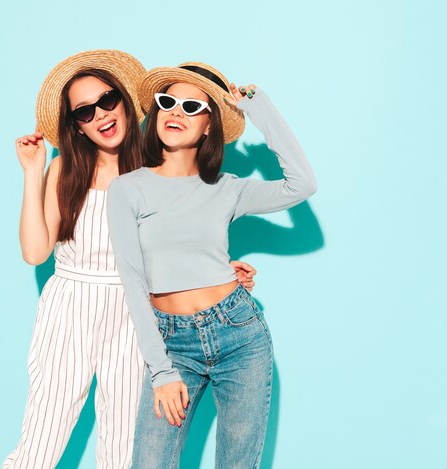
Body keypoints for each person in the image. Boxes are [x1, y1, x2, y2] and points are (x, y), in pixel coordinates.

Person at [3, 51, 257, 469]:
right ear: (76, 126)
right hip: (69, 307)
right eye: (84, 111)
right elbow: (35, 252)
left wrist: (219, 276)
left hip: (136, 313)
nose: (100, 114)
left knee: (124, 449)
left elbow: (180, 245)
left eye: (107, 100)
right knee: (40, 440)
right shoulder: (64, 169)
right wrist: (32, 172)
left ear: (125, 100)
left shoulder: (158, 171)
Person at [107, 62, 317, 468]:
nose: (175, 112)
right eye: (167, 102)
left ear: (209, 126)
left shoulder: (228, 189)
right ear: (155, 115)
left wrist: (258, 108)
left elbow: (302, 185)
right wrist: (162, 372)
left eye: (191, 106)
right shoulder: (129, 188)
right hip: (172, 344)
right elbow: (133, 280)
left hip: (239, 335)